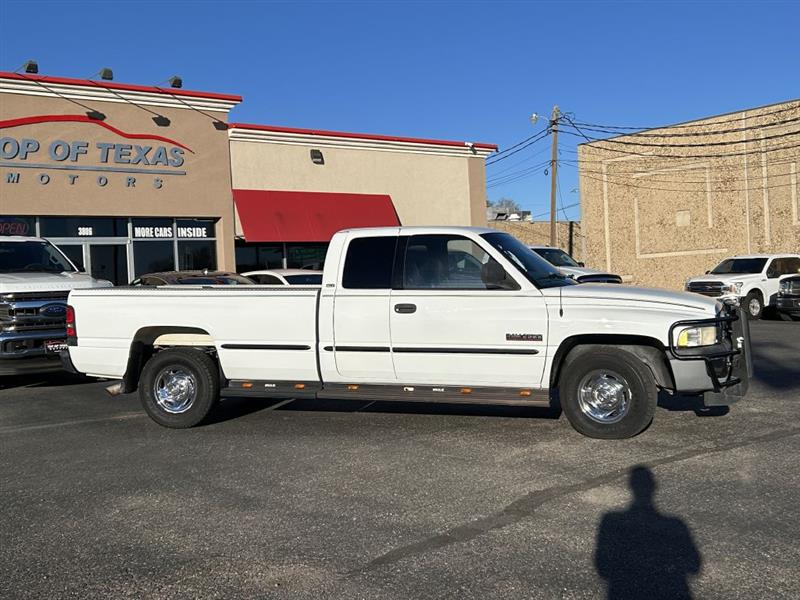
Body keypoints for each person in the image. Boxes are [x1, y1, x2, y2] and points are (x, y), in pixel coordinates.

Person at [595, 465, 702, 599]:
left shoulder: (611, 523)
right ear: (654, 487)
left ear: (630, 487)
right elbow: (694, 565)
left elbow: (603, 568)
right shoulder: (675, 526)